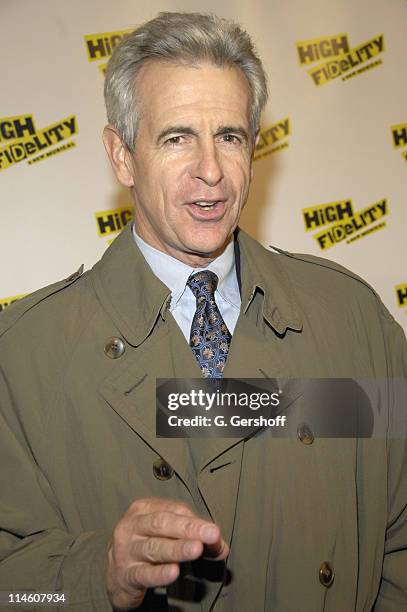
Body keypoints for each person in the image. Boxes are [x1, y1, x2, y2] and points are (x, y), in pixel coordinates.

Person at [0, 11, 406, 612]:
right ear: (121, 156)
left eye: (230, 136)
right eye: (177, 137)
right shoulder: (23, 355)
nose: (210, 169)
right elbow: (14, 586)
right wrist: (97, 574)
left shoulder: (351, 320)